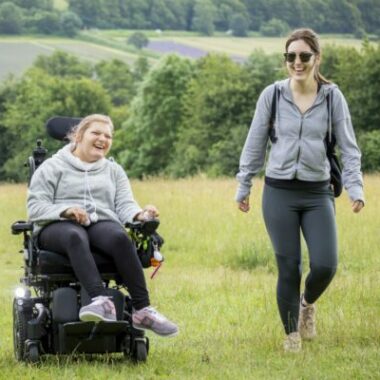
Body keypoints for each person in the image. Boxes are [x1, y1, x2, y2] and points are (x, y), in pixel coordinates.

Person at [235, 28, 364, 352]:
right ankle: (291, 335)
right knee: (288, 265)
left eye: (304, 56)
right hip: (279, 191)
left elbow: (349, 147)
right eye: (291, 56)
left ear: (316, 58)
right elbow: (255, 143)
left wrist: (355, 187)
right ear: (286, 59)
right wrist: (244, 184)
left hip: (317, 191)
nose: (297, 62)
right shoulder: (273, 95)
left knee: (325, 264)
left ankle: (307, 304)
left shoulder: (332, 96)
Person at [27, 114, 178, 337]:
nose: (103, 139)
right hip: (56, 227)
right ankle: (100, 301)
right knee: (75, 235)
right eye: (96, 133)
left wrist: (141, 214)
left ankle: (142, 310)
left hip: (99, 223)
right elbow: (35, 207)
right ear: (78, 136)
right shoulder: (52, 167)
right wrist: (65, 211)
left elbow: (125, 205)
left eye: (108, 136)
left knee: (119, 237)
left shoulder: (113, 170)